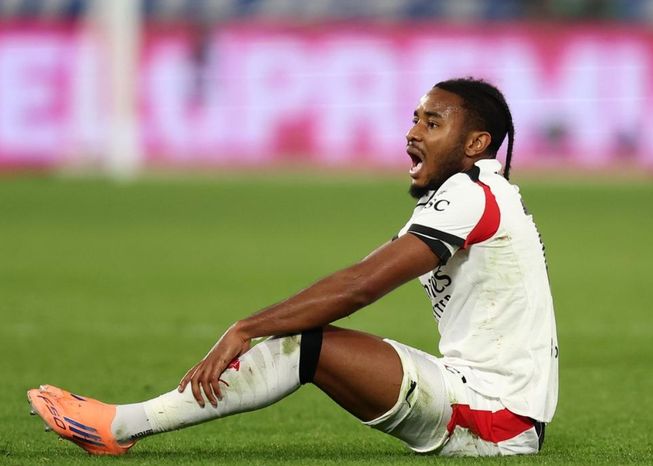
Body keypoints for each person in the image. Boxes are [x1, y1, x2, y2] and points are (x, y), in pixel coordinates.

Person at [28, 77, 558, 457]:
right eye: (415, 118)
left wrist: (246, 328)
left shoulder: (470, 195)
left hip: (493, 416)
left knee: (305, 344)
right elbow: (364, 271)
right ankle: (121, 425)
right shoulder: (478, 195)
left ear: (475, 144)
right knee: (304, 337)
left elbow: (359, 286)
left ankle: (120, 426)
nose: (413, 132)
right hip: (493, 406)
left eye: (433, 122)